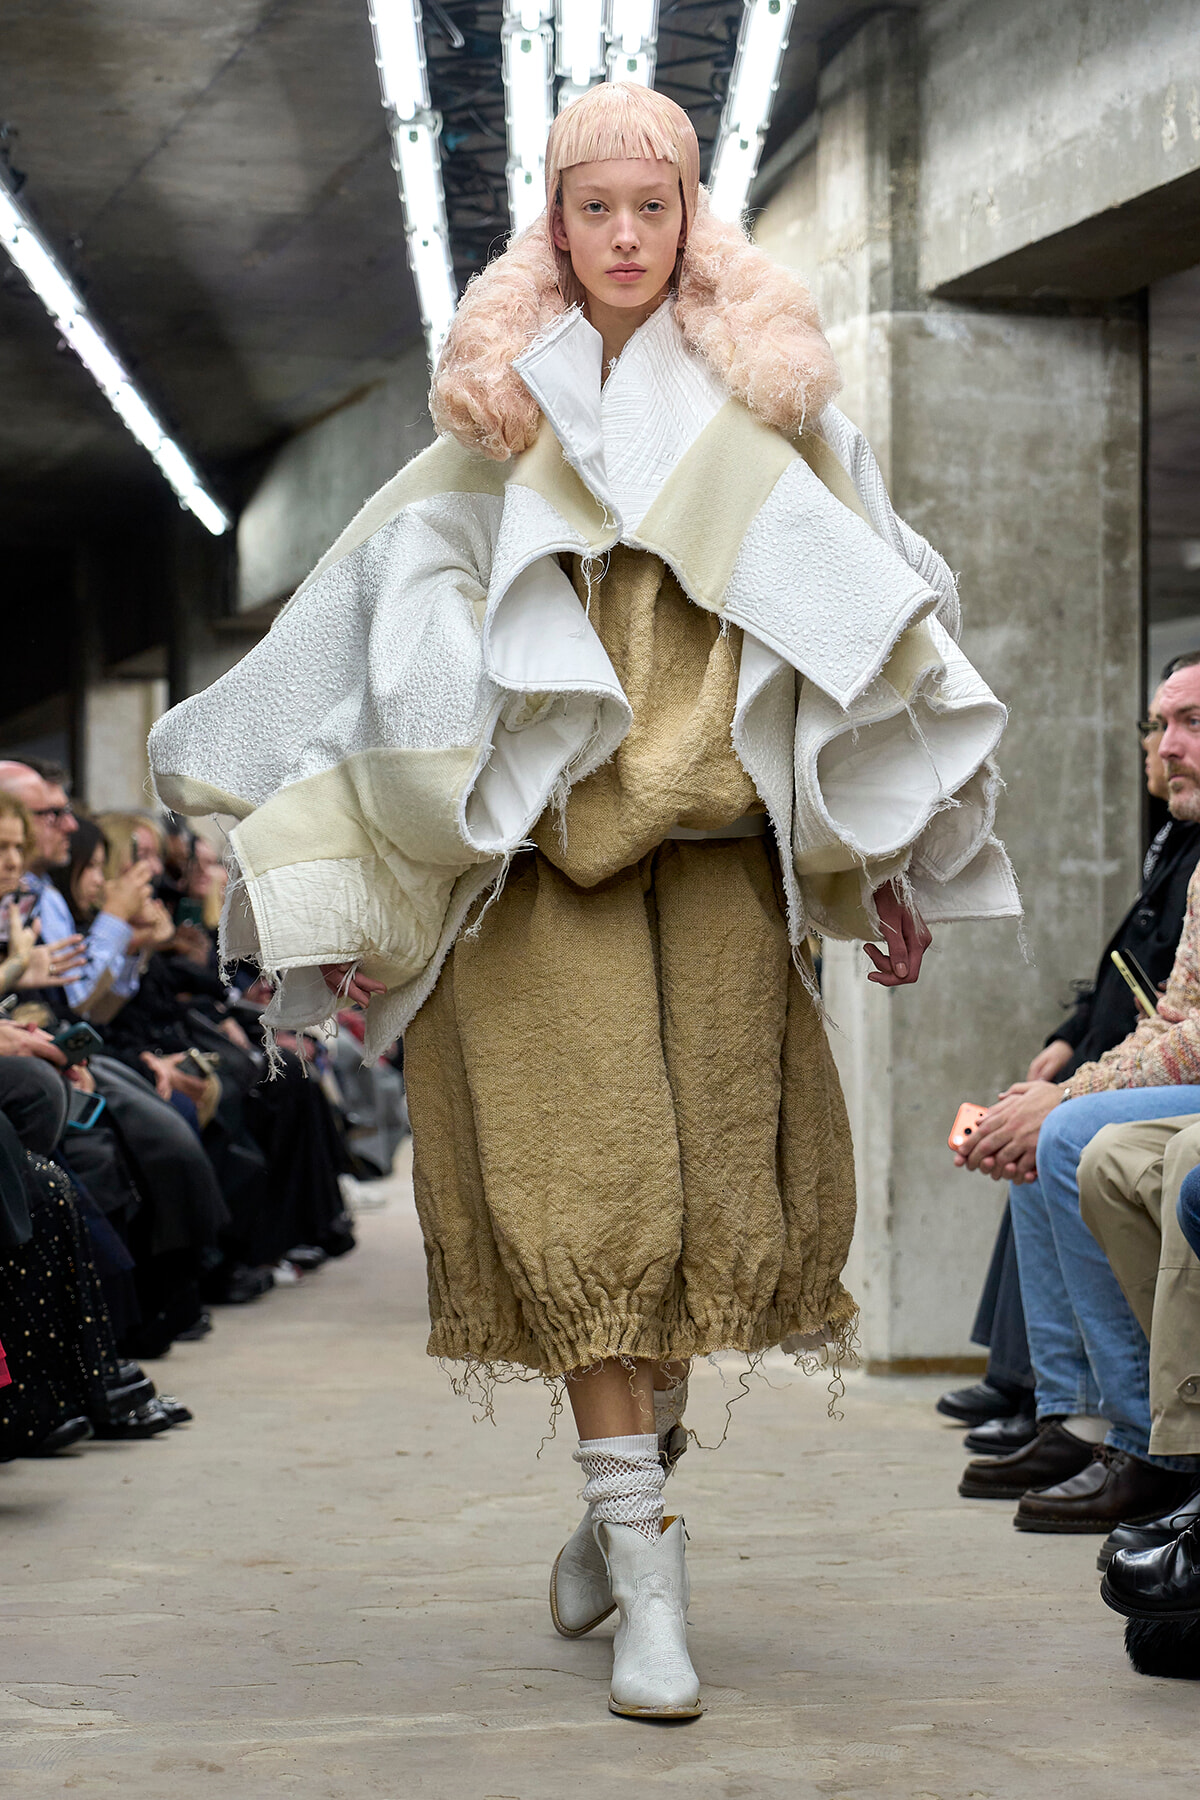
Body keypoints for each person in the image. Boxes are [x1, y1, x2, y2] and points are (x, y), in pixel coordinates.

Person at [149, 85, 1017, 1719]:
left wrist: (892, 857)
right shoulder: (495, 423)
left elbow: (880, 639)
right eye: (593, 209)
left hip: (713, 881)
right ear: (551, 223)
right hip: (530, 889)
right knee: (587, 1216)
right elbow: (370, 660)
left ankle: (620, 1510)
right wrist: (350, 892)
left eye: (652, 208)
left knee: (693, 1234)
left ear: (693, 219)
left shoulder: (777, 416)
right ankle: (651, 1579)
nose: (623, 238)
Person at [953, 658, 1200, 1531]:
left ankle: (1149, 1440)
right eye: (1160, 725)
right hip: (1162, 1069)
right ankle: (1079, 1415)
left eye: (1193, 723)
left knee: (1061, 1134)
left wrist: (1065, 1095)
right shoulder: (1185, 850)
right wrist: (1061, 1076)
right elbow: (1167, 1008)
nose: (1168, 747)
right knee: (1047, 1129)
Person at [0, 762, 155, 1015]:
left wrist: (134, 944)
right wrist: (116, 915)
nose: (71, 825)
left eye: (17, 847)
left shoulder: (42, 890)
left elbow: (95, 1015)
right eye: (53, 813)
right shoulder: (40, 891)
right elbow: (78, 1000)